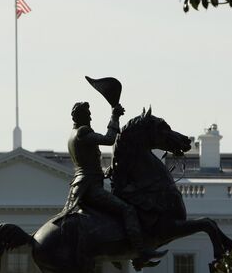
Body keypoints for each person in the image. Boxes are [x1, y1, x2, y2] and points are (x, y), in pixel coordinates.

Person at [61, 101, 167, 261]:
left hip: (83, 185)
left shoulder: (72, 135)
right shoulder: (82, 132)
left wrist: (104, 172)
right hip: (90, 188)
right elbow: (109, 139)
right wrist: (114, 115)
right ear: (82, 116)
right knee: (127, 210)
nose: (90, 117)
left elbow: (86, 165)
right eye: (88, 115)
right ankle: (140, 252)